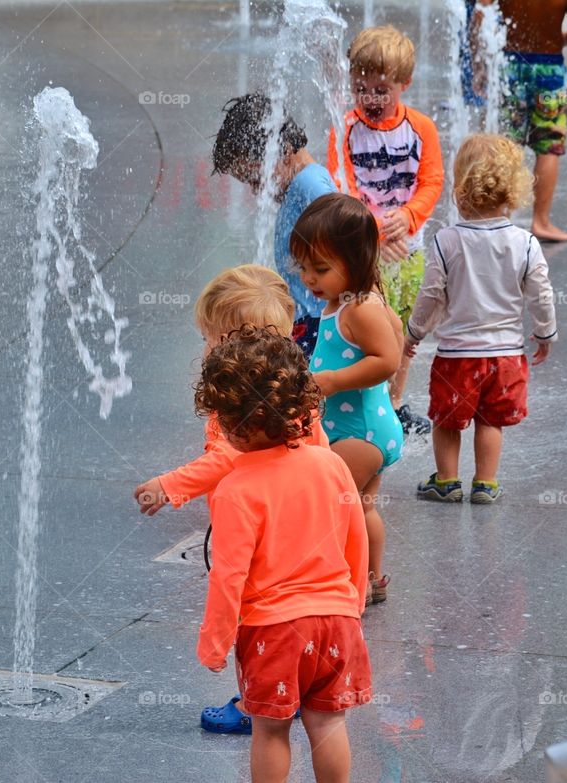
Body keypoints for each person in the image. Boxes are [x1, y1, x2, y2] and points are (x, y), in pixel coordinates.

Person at [131, 265, 329, 735]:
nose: (202, 350)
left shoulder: (239, 406)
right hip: (302, 526)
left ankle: (255, 698)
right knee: (296, 610)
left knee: (256, 615)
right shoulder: (294, 395)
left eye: (207, 340)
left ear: (232, 344)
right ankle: (297, 685)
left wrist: (169, 484)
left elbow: (223, 459)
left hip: (257, 526)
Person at [195, 324, 372, 783]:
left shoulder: (236, 488)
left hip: (274, 630)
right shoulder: (330, 464)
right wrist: (352, 602)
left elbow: (229, 574)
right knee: (328, 722)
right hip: (336, 621)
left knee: (270, 732)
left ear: (232, 423)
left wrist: (215, 642)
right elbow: (356, 538)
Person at [405, 134, 556, 503]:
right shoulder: (525, 242)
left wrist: (414, 333)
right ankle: (485, 483)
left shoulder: (447, 241)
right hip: (506, 357)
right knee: (490, 421)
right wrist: (544, 332)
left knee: (447, 421)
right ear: (512, 190)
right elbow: (541, 292)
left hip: (457, 357)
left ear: (461, 187)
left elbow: (431, 295)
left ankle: (447, 480)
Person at [328, 25, 445, 435]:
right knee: (365, 325)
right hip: (361, 251)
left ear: (404, 84)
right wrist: (376, 230)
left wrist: (410, 216)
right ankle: (361, 398)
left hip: (408, 249)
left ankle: (393, 404)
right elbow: (342, 185)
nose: (371, 99)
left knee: (404, 332)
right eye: (362, 89)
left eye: (382, 89)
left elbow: (432, 181)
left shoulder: (421, 129)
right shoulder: (344, 129)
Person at [291, 193, 404, 604]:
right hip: (366, 426)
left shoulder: (358, 309)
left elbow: (389, 357)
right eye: (303, 267)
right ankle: (372, 577)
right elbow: (400, 333)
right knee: (360, 506)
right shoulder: (349, 300)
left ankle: (343, 583)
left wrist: (336, 380)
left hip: (361, 432)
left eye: (321, 268)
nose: (309, 278)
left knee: (333, 506)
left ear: (356, 260)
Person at [212, 93, 336, 357]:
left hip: (316, 325)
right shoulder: (300, 186)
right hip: (307, 321)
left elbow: (346, 246)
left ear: (286, 151)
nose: (259, 192)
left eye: (257, 179)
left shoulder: (310, 187)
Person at [474, 0, 567, 243]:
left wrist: (480, 59)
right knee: (548, 148)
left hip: (510, 67)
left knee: (506, 146)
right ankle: (541, 221)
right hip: (550, 72)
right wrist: (560, 39)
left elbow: (479, 14)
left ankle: (499, 217)